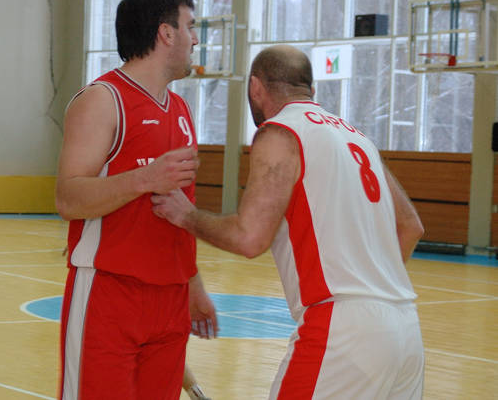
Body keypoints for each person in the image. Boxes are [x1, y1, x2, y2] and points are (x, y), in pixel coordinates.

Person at [152, 45, 425, 399]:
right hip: (405, 328)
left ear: (255, 87)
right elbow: (411, 226)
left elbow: (249, 238)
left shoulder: (280, 132)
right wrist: (372, 285)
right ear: (311, 90)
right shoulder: (357, 137)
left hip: (343, 330)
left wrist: (185, 215)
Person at [55, 0, 218, 400]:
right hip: (110, 294)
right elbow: (68, 199)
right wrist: (145, 178)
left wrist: (193, 284)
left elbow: (181, 211)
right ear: (166, 33)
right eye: (190, 26)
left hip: (171, 299)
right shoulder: (102, 100)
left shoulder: (180, 109)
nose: (195, 38)